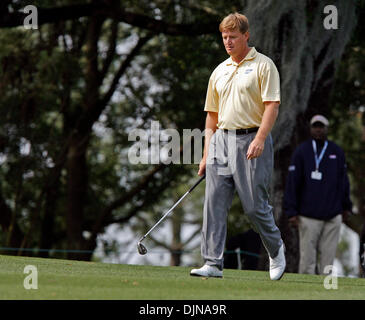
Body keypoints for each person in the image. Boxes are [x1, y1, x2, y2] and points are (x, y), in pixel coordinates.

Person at [190, 12, 286, 280]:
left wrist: (260, 138)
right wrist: (207, 152)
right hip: (221, 141)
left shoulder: (264, 66)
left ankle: (276, 248)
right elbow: (211, 116)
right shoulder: (219, 71)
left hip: (251, 139)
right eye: (224, 37)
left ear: (246, 36)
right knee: (214, 203)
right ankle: (212, 262)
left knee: (255, 207)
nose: (228, 42)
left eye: (233, 37)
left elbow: (272, 106)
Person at [283, 114, 353, 275]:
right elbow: (293, 182)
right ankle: (305, 293)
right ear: (310, 129)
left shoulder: (336, 151)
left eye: (321, 126)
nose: (318, 130)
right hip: (308, 216)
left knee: (328, 259)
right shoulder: (302, 151)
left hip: (333, 215)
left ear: (327, 129)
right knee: (307, 259)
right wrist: (291, 211)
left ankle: (327, 290)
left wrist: (346, 207)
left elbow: (344, 182)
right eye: (315, 126)